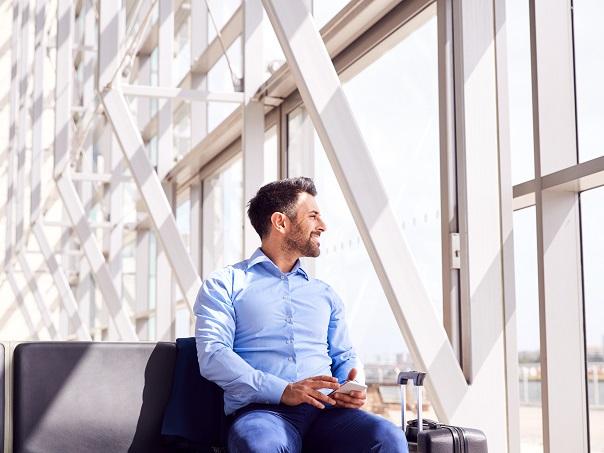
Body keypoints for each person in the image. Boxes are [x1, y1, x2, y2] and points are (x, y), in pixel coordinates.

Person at [194, 177, 408, 453]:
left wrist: (354, 385)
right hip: (264, 413)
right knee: (260, 446)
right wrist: (283, 390)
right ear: (280, 222)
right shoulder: (226, 284)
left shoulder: (325, 294)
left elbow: (344, 355)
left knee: (387, 436)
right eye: (313, 216)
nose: (323, 225)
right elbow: (213, 354)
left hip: (328, 413)